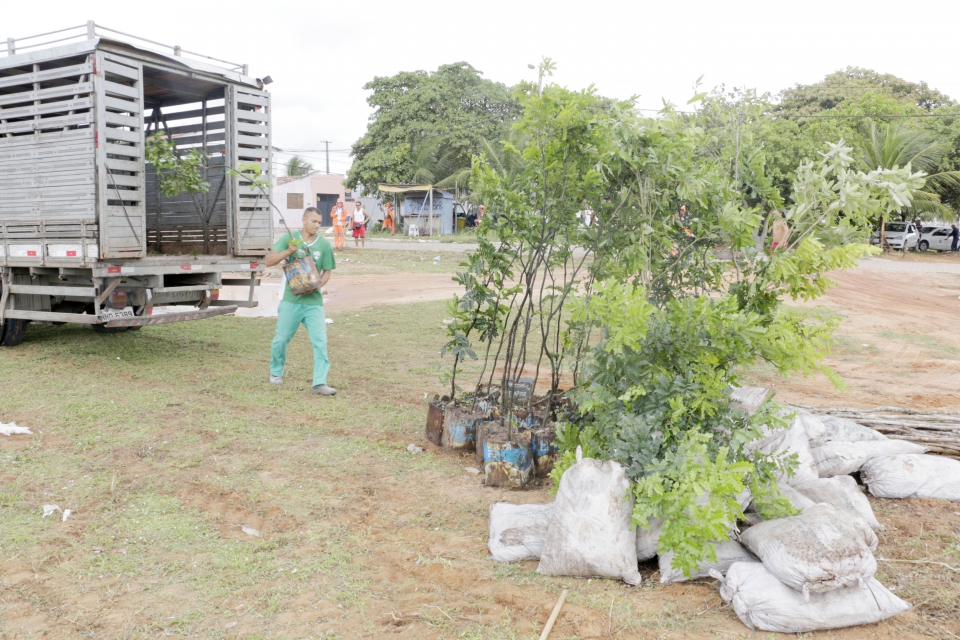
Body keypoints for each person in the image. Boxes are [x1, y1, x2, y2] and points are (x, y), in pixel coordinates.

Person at [264, 207, 337, 396]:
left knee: (320, 342)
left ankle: (319, 383)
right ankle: (276, 372)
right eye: (313, 221)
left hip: (313, 303)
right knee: (281, 339)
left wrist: (318, 284)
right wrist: (288, 251)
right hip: (291, 300)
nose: (317, 225)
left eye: (319, 222)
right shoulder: (291, 239)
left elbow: (327, 271)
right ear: (304, 220)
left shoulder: (324, 246)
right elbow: (268, 260)